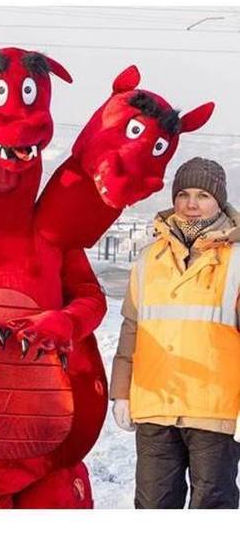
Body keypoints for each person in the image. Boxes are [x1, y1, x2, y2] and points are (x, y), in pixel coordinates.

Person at [110, 156, 240, 509]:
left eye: (203, 195)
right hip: (156, 405)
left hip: (215, 411)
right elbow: (132, 329)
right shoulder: (149, 259)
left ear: (219, 201)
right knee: (153, 506)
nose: (192, 204)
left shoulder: (237, 261)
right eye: (184, 194)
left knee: (212, 506)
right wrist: (122, 392)